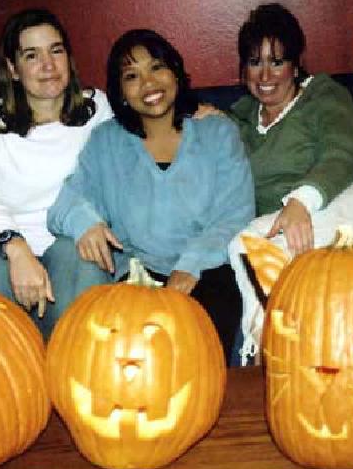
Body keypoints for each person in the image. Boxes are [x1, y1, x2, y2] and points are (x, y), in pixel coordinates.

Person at [48, 29, 254, 362]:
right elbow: (65, 201)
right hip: (136, 275)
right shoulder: (107, 142)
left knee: (200, 359)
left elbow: (235, 214)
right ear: (121, 93)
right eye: (132, 76)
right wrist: (85, 223)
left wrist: (190, 267)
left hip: (208, 269)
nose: (148, 83)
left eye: (157, 67)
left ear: (175, 71)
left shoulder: (218, 133)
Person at [227, 3, 353, 365]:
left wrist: (300, 202)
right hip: (299, 227)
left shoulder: (322, 95)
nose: (265, 74)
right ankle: (266, 354)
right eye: (254, 62)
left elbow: (341, 153)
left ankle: (267, 356)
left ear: (296, 65)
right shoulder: (238, 121)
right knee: (244, 246)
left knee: (284, 264)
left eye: (277, 61)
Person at [0, 8, 113, 340]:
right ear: (13, 69)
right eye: (31, 55)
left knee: (82, 255)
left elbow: (148, 126)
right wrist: (15, 246)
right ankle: (12, 379)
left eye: (56, 50)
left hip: (70, 247)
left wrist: (194, 113)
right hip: (0, 247)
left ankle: (64, 373)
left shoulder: (98, 110)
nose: (48, 65)